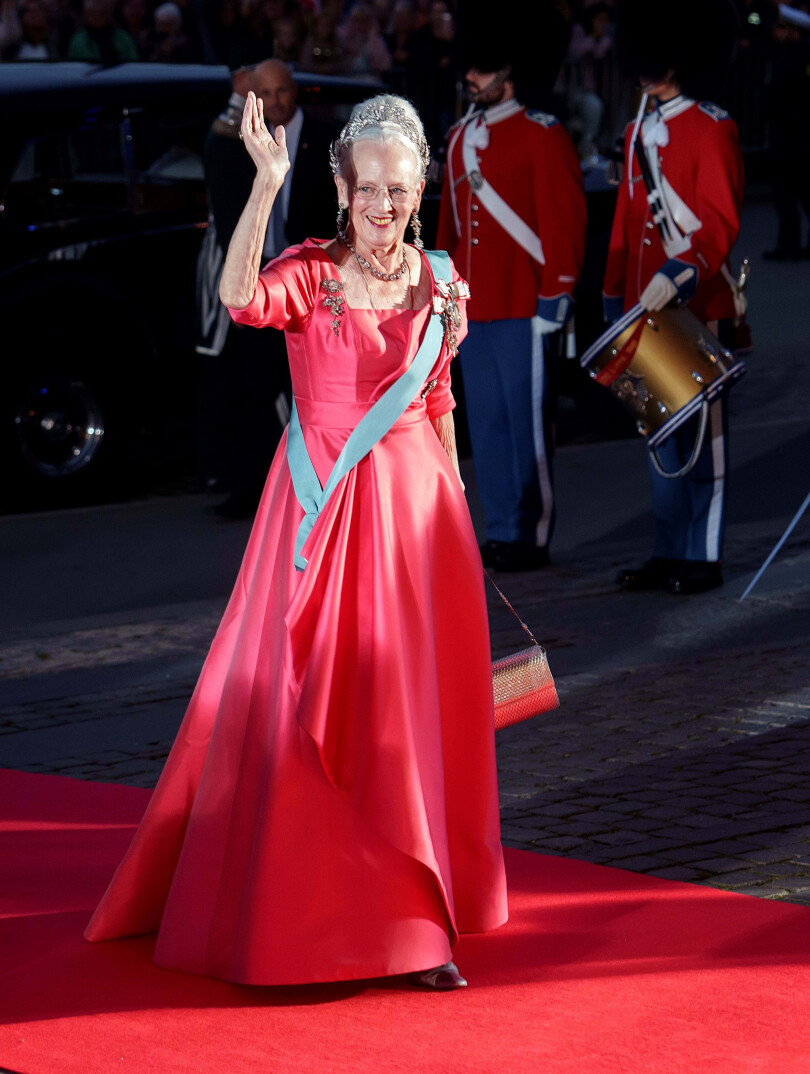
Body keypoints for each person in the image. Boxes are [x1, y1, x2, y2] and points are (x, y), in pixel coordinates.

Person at [85, 93, 508, 990]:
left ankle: (415, 928)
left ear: (421, 185)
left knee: (405, 722)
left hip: (418, 532)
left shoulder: (440, 279)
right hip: (319, 518)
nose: (383, 206)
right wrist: (264, 182)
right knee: (304, 709)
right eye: (366, 191)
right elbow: (238, 298)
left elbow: (437, 408)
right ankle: (302, 917)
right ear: (341, 188)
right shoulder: (310, 273)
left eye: (398, 189)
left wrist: (461, 517)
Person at [436, 4, 586, 572]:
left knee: (527, 426)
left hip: (525, 303)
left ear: (508, 72)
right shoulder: (458, 138)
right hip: (476, 306)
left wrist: (558, 294)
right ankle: (499, 528)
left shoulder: (541, 135)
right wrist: (444, 294)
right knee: (488, 425)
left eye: (481, 68)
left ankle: (532, 531)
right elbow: (450, 228)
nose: (469, 77)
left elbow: (562, 221)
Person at [604, 0, 744, 595]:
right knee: (659, 431)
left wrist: (681, 269)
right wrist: (614, 291)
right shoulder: (637, 129)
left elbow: (718, 221)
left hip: (695, 300)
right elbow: (627, 219)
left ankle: (702, 554)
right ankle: (669, 548)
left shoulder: (711, 126)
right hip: (644, 301)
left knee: (704, 441)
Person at [197, 59, 336, 518]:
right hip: (262, 286)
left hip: (314, 285)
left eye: (282, 91)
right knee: (253, 391)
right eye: (266, 94)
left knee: (313, 393)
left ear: (295, 90)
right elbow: (216, 174)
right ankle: (254, 493)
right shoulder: (239, 141)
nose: (276, 101)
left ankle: (318, 489)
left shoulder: (328, 139)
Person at [66, 0, 139, 62]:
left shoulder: (123, 38)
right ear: (86, 15)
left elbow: (134, 66)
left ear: (109, 14)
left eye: (102, 13)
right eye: (92, 13)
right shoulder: (78, 41)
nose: (97, 17)